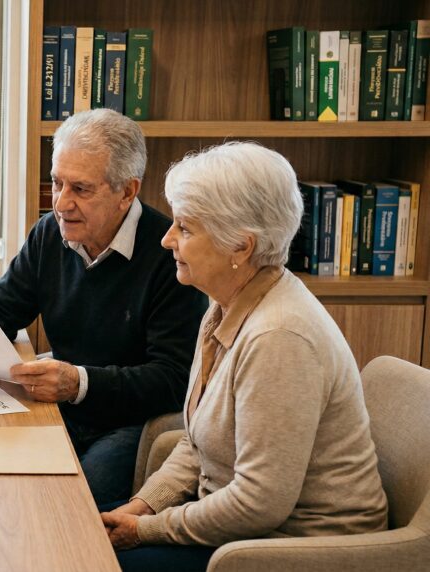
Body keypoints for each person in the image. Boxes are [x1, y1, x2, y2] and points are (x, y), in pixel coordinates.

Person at [99, 142, 389, 572]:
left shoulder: (279, 337)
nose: (166, 239)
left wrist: (146, 530)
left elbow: (259, 504)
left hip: (292, 549)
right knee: (73, 525)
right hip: (233, 527)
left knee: (83, 556)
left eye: (185, 228)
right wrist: (140, 508)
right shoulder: (225, 304)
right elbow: (197, 444)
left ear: (240, 246)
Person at [0, 109, 208, 504]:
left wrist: (79, 382)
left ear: (127, 191)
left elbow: (173, 380)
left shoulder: (168, 255)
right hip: (56, 404)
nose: (61, 203)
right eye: (57, 183)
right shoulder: (50, 234)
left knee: (69, 504)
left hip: (129, 423)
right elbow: (0, 305)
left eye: (80, 189)